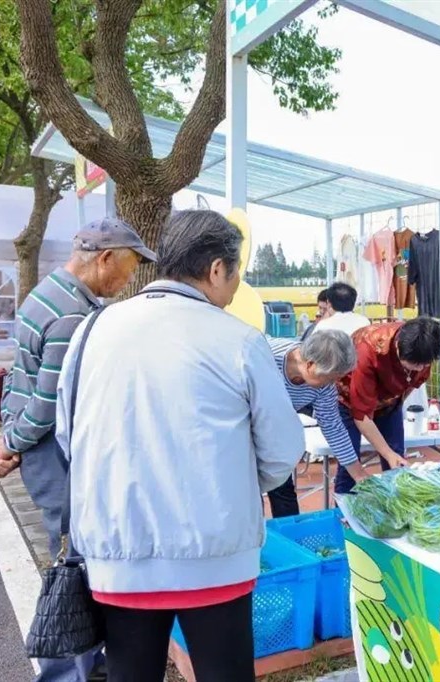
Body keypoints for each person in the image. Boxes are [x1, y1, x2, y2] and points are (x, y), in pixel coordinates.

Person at [56, 210, 304, 681]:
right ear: (216, 269)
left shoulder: (91, 330)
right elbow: (280, 450)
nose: (232, 291)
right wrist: (229, 485)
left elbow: (69, 437)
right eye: (235, 276)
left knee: (129, 673)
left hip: (117, 554)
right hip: (215, 560)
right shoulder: (240, 340)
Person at [0, 217, 151, 682]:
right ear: (106, 257)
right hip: (58, 460)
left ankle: (82, 666)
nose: (129, 278)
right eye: (129, 266)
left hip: (39, 454)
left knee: (68, 560)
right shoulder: (73, 314)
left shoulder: (46, 292)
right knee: (72, 569)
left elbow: (18, 378)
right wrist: (12, 446)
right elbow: (49, 405)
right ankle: (69, 672)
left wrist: (9, 445)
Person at [334, 317, 440, 493]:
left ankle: (394, 510)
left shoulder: (424, 347)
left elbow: (410, 386)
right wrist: (386, 452)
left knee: (396, 459)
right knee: (350, 460)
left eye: (424, 364)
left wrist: (390, 453)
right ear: (399, 347)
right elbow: (361, 414)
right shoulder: (368, 348)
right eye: (415, 364)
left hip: (389, 403)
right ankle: (342, 512)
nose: (419, 369)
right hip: (349, 402)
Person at [266, 329, 369, 517]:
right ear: (310, 364)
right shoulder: (266, 356)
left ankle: (291, 541)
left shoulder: (324, 386)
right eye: (330, 378)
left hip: (276, 430)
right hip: (241, 424)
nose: (332, 383)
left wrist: (359, 475)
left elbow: (333, 426)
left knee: (282, 487)